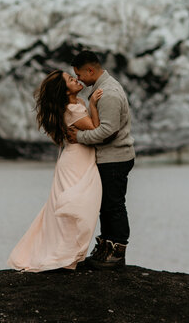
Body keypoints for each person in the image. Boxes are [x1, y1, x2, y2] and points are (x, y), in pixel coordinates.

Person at [7, 70, 103, 272]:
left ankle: (68, 253)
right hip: (76, 161)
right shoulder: (72, 109)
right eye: (70, 79)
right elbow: (95, 126)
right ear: (64, 90)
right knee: (77, 203)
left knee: (74, 205)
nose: (76, 80)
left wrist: (88, 105)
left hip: (77, 158)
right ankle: (66, 255)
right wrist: (93, 104)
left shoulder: (75, 105)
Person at [68, 50, 135, 269]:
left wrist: (79, 137)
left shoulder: (109, 93)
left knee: (113, 205)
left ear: (90, 70)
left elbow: (108, 131)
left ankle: (117, 252)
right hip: (109, 158)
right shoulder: (101, 90)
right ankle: (106, 248)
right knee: (106, 205)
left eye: (79, 75)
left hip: (115, 158)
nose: (78, 79)